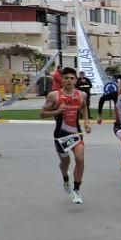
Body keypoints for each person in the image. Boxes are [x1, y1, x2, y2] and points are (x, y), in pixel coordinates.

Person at [40, 67, 92, 204]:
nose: (69, 80)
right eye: (66, 78)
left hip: (76, 133)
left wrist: (86, 122)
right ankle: (65, 178)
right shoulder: (54, 95)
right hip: (60, 136)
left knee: (80, 158)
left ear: (76, 80)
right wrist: (57, 111)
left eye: (72, 78)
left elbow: (84, 107)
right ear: (61, 80)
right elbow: (42, 114)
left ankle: (76, 190)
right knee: (65, 162)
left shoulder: (82, 95)